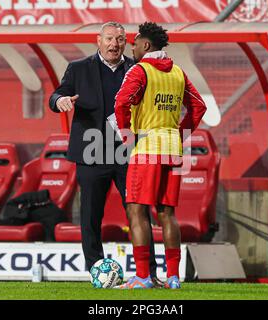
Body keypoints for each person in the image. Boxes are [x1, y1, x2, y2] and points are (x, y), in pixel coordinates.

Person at [48, 21, 163, 287]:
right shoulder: (78, 68)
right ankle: (95, 270)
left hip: (128, 152)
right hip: (91, 152)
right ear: (98, 41)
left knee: (139, 213)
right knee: (90, 215)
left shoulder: (138, 68)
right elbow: (56, 95)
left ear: (127, 42)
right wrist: (60, 101)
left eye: (120, 40)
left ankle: (149, 272)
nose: (114, 44)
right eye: (109, 39)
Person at [114, 22, 207, 289]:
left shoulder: (140, 70)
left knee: (136, 210)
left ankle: (143, 276)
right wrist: (179, 135)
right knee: (167, 213)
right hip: (172, 149)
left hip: (147, 148)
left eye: (135, 42)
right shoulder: (178, 72)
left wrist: (126, 135)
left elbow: (121, 102)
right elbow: (198, 107)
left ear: (146, 45)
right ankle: (174, 277)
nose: (131, 47)